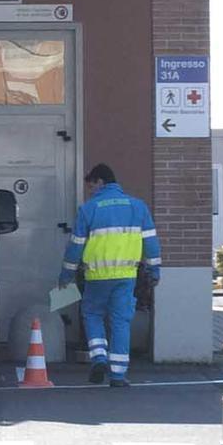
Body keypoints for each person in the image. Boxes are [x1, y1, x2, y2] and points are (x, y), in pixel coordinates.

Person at [58, 164, 161, 388]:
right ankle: (118, 375)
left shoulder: (89, 209)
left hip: (96, 277)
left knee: (93, 315)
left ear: (101, 182)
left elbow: (75, 246)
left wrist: (66, 274)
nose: (90, 190)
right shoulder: (138, 207)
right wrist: (154, 271)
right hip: (126, 276)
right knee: (121, 322)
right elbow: (151, 243)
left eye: (91, 185)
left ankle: (99, 358)